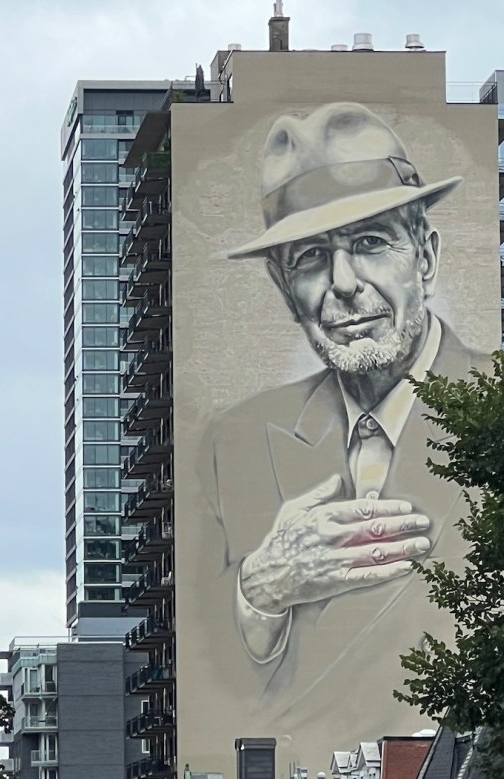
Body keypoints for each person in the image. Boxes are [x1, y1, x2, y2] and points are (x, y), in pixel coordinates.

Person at [195, 102, 487, 739]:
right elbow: (204, 659)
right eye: (309, 259)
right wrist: (261, 589)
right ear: (282, 286)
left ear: (426, 257)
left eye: (370, 244)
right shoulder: (233, 441)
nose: (344, 283)